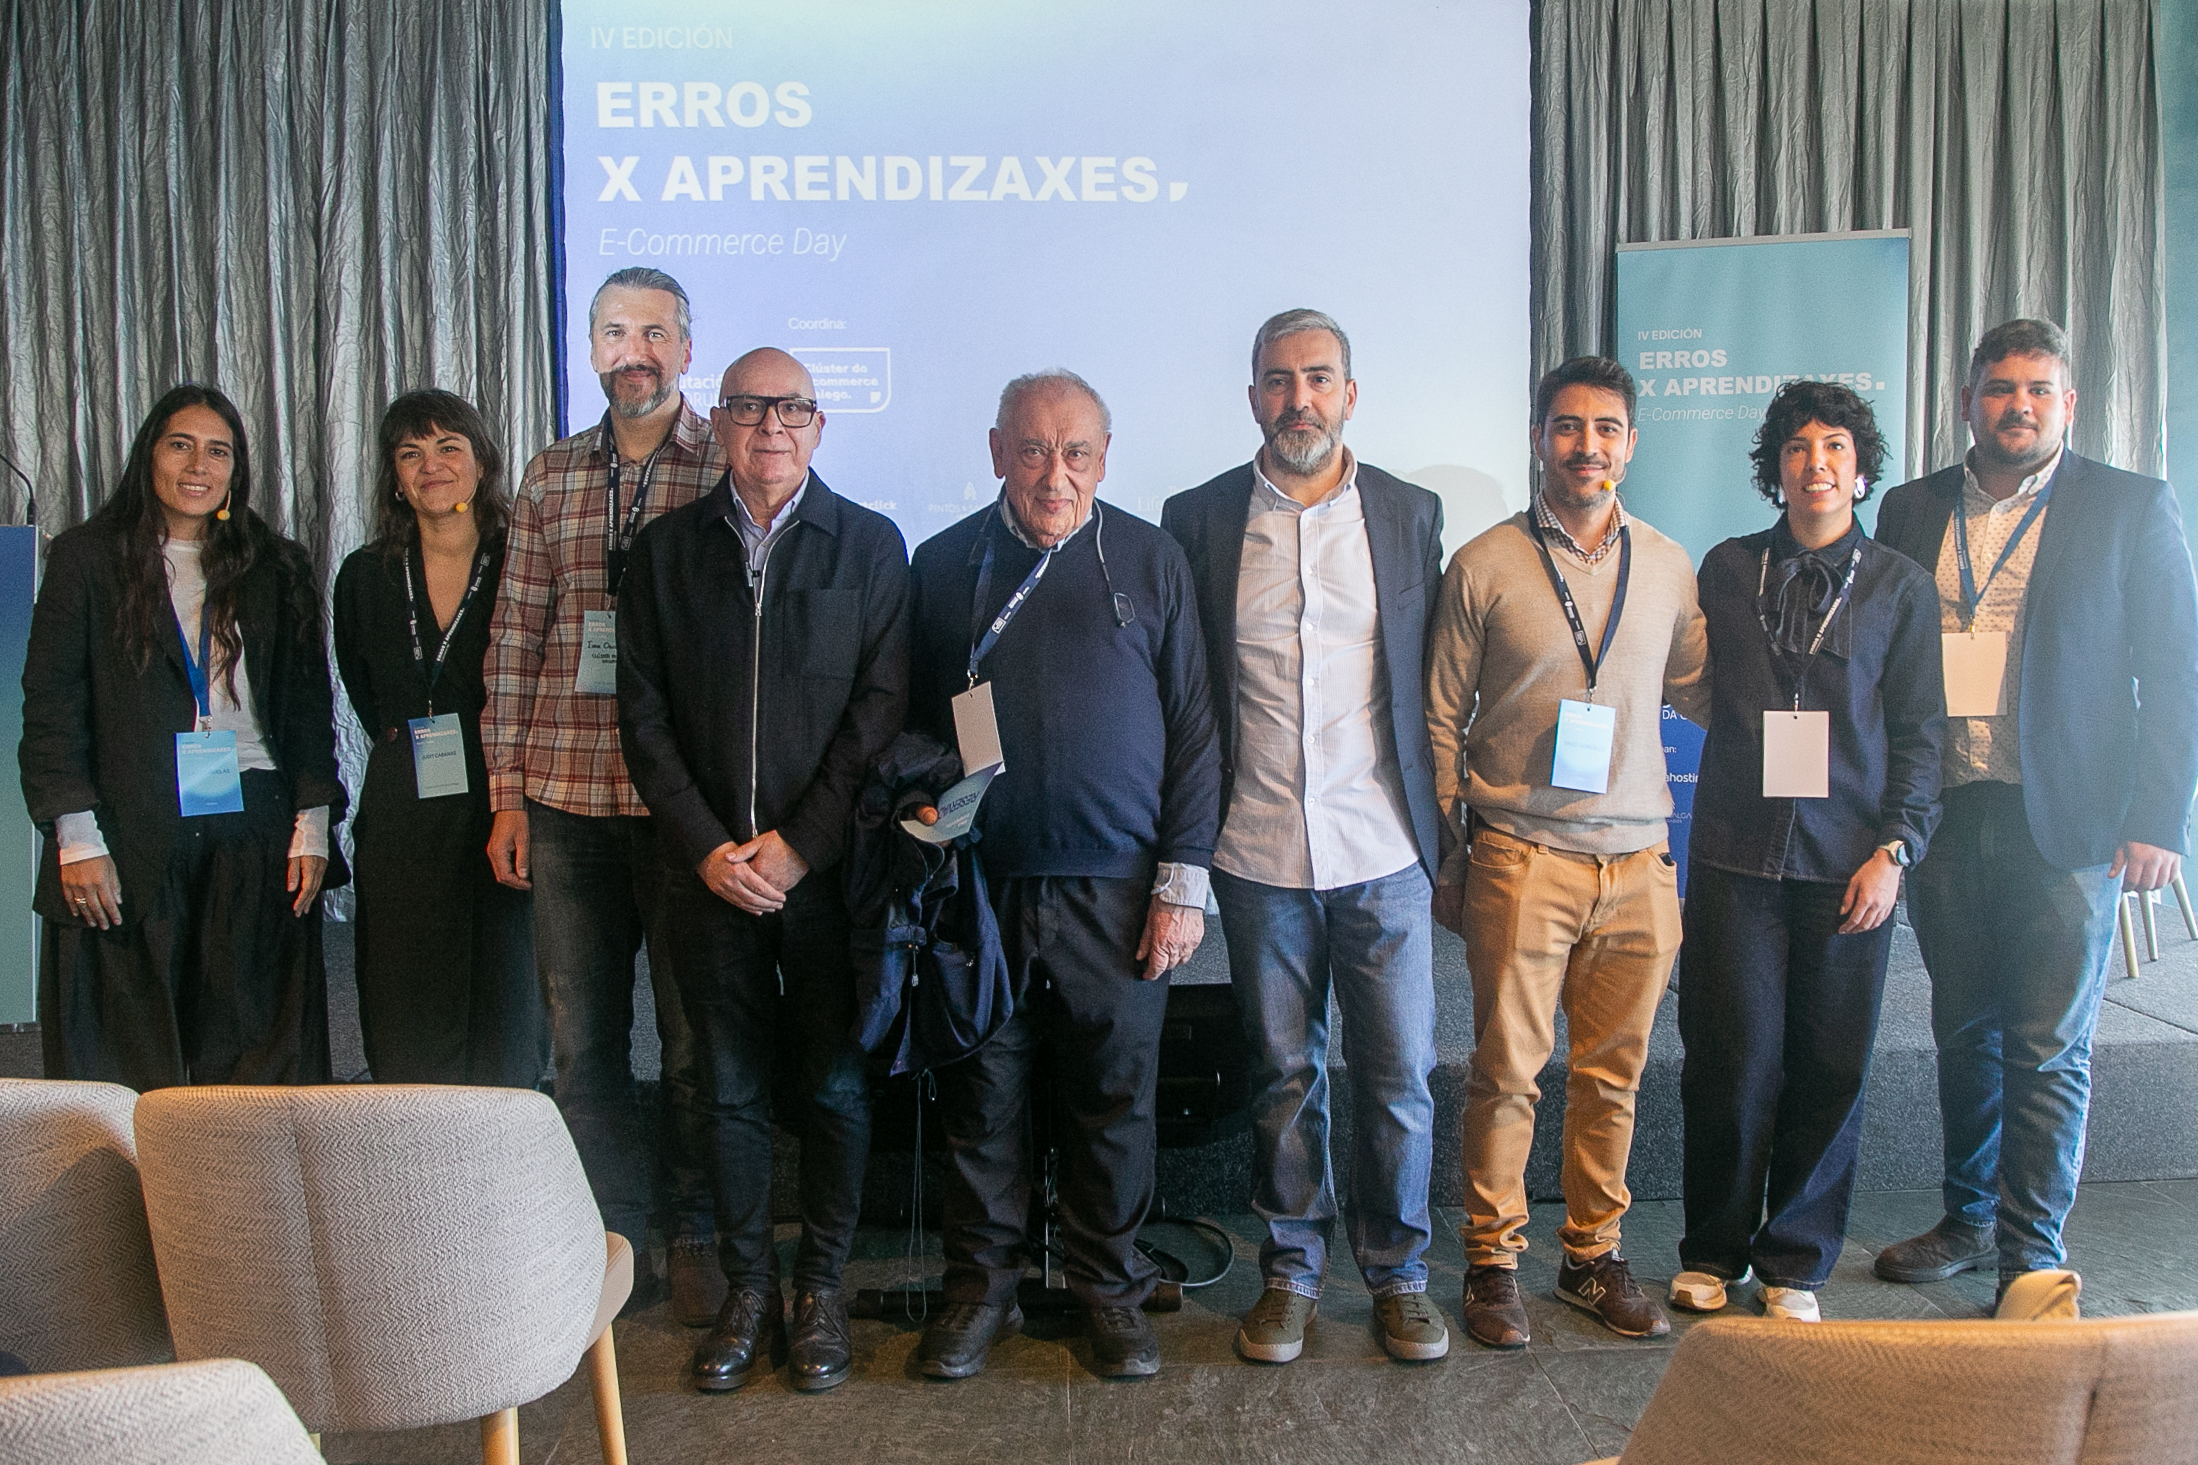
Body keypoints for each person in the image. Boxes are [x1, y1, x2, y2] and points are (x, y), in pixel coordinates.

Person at [1870, 319, 2198, 1304]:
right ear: (1968, 400)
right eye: (2000, 387)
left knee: (2047, 1042)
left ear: (2067, 403)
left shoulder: (2128, 505)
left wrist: (2158, 818)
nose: (2018, 405)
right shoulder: (1910, 507)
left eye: (2038, 390)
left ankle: (2031, 1255)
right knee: (1962, 1032)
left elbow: (2173, 671)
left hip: (2068, 820)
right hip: (1944, 814)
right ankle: (1968, 1219)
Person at [907, 370, 1221, 1381]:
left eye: (1075, 452)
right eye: (1034, 451)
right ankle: (980, 1292)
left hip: (1119, 891)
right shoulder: (943, 563)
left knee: (1113, 1104)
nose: (1055, 475)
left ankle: (1109, 1292)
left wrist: (1180, 886)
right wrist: (921, 804)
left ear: (1104, 457)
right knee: (981, 1101)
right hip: (982, 890)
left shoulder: (1151, 558)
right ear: (998, 451)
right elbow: (910, 722)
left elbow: (1195, 731)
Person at [619, 348, 909, 1393]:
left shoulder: (870, 545)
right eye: (749, 408)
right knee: (728, 1089)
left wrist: (798, 846)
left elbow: (878, 712)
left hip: (824, 877)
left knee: (833, 1083)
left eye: (791, 409)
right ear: (720, 423)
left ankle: (819, 1285)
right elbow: (642, 715)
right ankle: (751, 1289)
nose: (770, 426)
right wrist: (707, 846)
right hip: (706, 877)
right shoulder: (662, 554)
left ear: (819, 426)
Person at [1164, 310, 1449, 1364]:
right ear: (1252, 398)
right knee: (1284, 1072)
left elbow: (1431, 675)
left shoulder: (1409, 512)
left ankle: (1400, 1274)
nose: (1299, 400)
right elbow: (1190, 692)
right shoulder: (1198, 518)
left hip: (1383, 847)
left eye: (1318, 378)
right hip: (1257, 849)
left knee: (1399, 1075)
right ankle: (1290, 1270)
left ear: (1349, 394)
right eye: (1279, 380)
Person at [1425, 356, 1709, 1347]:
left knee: (1612, 1076)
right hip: (1521, 856)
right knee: (1506, 1071)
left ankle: (1592, 1254)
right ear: (1539, 438)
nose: (1586, 445)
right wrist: (1452, 853)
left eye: (1605, 428)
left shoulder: (1668, 565)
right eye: (1567, 426)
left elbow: (1702, 689)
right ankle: (1492, 1262)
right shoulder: (1484, 564)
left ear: (1629, 444)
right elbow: (1438, 718)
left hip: (1638, 865)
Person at [1670, 381, 1943, 1322]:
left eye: (1834, 447)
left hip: (1849, 864)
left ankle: (1796, 1261)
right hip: (1735, 856)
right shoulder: (1726, 568)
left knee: (1829, 1065)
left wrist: (1896, 850)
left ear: (1860, 471)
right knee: (1728, 1060)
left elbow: (1919, 733)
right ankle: (1713, 1249)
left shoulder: (1901, 586)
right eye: (1797, 447)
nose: (1815, 463)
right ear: (1775, 467)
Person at [481, 267, 722, 1318]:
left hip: (685, 809)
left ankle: (693, 1230)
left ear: (686, 350)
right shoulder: (549, 474)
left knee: (692, 1042)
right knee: (583, 1049)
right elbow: (514, 639)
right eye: (617, 332)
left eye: (656, 333)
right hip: (566, 798)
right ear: (590, 350)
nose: (636, 350)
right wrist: (506, 793)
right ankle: (607, 1238)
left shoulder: (726, 462)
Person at [22, 383, 346, 1088]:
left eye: (218, 451)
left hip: (253, 825)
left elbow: (306, 706)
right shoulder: (87, 558)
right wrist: (75, 837)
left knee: (256, 1071)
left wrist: (313, 824)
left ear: (236, 469)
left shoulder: (276, 564)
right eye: (181, 445)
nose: (199, 465)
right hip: (126, 833)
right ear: (150, 456)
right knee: (122, 1073)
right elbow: (52, 705)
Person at [333, 390, 544, 1087]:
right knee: (405, 988)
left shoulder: (525, 562)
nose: (432, 466)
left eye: (449, 447)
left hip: (507, 799)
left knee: (507, 989)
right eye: (411, 453)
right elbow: (366, 690)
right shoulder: (364, 575)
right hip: (406, 805)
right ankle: (410, 1140)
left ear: (482, 462)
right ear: (394, 477)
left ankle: (502, 1142)